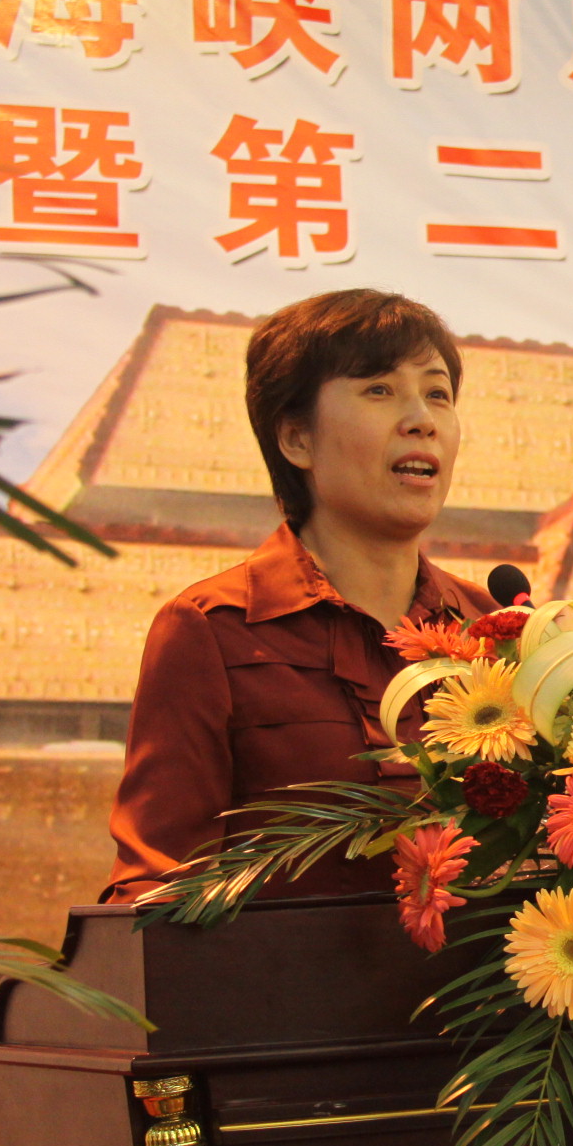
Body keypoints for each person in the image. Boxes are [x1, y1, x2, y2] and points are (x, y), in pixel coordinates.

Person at [103, 289, 493, 903]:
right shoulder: (213, 629)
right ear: (296, 439)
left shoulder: (493, 629)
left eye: (437, 394)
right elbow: (156, 888)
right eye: (379, 390)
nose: (422, 419)